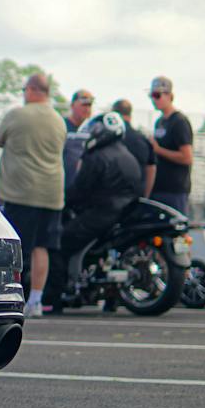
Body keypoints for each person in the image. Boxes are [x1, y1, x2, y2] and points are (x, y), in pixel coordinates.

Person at [0, 72, 67, 318]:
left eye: (25, 89)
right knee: (41, 248)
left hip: (20, 191)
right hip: (51, 192)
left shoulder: (18, 115)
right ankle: (36, 300)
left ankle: (9, 297)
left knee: (16, 247)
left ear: (33, 90)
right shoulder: (59, 120)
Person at [59, 112, 144, 289]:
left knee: (61, 240)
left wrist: (65, 201)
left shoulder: (96, 156)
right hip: (123, 214)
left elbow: (80, 190)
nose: (93, 132)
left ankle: (58, 293)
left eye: (96, 129)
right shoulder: (129, 156)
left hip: (102, 213)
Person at [146, 76, 194, 215]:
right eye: (152, 96)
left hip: (174, 190)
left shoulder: (179, 121)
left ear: (169, 96)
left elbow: (187, 157)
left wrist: (158, 150)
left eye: (157, 95)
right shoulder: (159, 122)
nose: (154, 100)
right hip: (159, 188)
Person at [112, 98, 155, 196]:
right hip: (136, 196)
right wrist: (146, 195)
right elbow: (151, 167)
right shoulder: (143, 139)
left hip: (113, 197)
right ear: (130, 115)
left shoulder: (111, 139)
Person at [62, 89, 94, 188]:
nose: (87, 109)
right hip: (62, 186)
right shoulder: (61, 125)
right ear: (72, 105)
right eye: (83, 105)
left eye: (89, 105)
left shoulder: (91, 130)